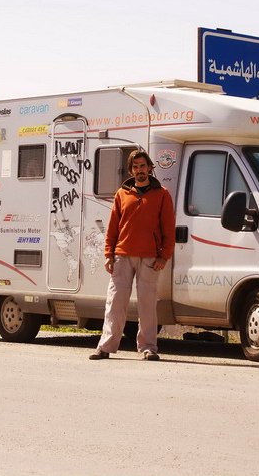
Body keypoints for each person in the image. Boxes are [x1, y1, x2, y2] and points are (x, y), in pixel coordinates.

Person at [89, 149, 175, 361]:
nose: (140, 171)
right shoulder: (122, 194)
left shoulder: (162, 194)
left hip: (150, 259)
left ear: (150, 168)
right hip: (122, 256)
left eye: (143, 166)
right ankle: (106, 346)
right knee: (115, 303)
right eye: (135, 167)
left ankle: (148, 348)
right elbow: (113, 228)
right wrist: (109, 254)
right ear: (130, 170)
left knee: (147, 305)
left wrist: (164, 256)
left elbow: (168, 229)